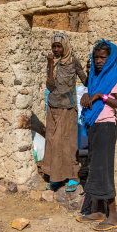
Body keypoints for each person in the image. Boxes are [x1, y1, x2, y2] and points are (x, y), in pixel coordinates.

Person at [77, 40, 117, 231]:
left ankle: (113, 216)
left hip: (106, 127)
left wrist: (100, 96)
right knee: (95, 168)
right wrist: (87, 95)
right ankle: (98, 211)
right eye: (96, 57)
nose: (98, 60)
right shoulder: (95, 77)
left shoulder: (113, 77)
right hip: (94, 126)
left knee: (104, 170)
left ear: (110, 58)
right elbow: (90, 92)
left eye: (102, 57)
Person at [43, 33, 88, 192]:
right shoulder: (53, 63)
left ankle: (73, 177)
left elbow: (85, 80)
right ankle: (55, 177)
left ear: (65, 46)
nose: (56, 49)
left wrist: (91, 71)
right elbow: (50, 86)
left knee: (67, 143)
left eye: (59, 46)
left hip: (68, 108)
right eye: (54, 46)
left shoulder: (74, 62)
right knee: (52, 142)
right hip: (53, 107)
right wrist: (50, 65)